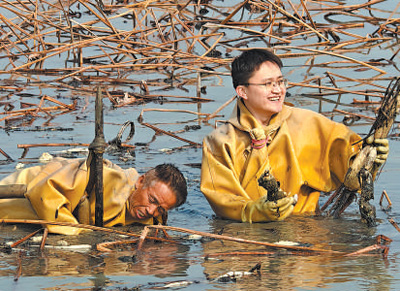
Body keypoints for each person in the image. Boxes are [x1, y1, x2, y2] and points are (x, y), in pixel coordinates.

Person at [200, 48, 389, 223]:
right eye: (268, 84)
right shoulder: (219, 142)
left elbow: (349, 167)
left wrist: (369, 159)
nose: (278, 90)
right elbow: (221, 199)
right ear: (242, 91)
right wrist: (254, 211)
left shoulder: (309, 124)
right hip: (247, 237)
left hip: (306, 229)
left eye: (280, 82)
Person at [0, 156, 187, 235]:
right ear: (140, 182)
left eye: (160, 209)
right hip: (16, 194)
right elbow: (43, 192)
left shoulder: (155, 217)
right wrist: (79, 233)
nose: (151, 211)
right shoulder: (107, 179)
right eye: (152, 200)